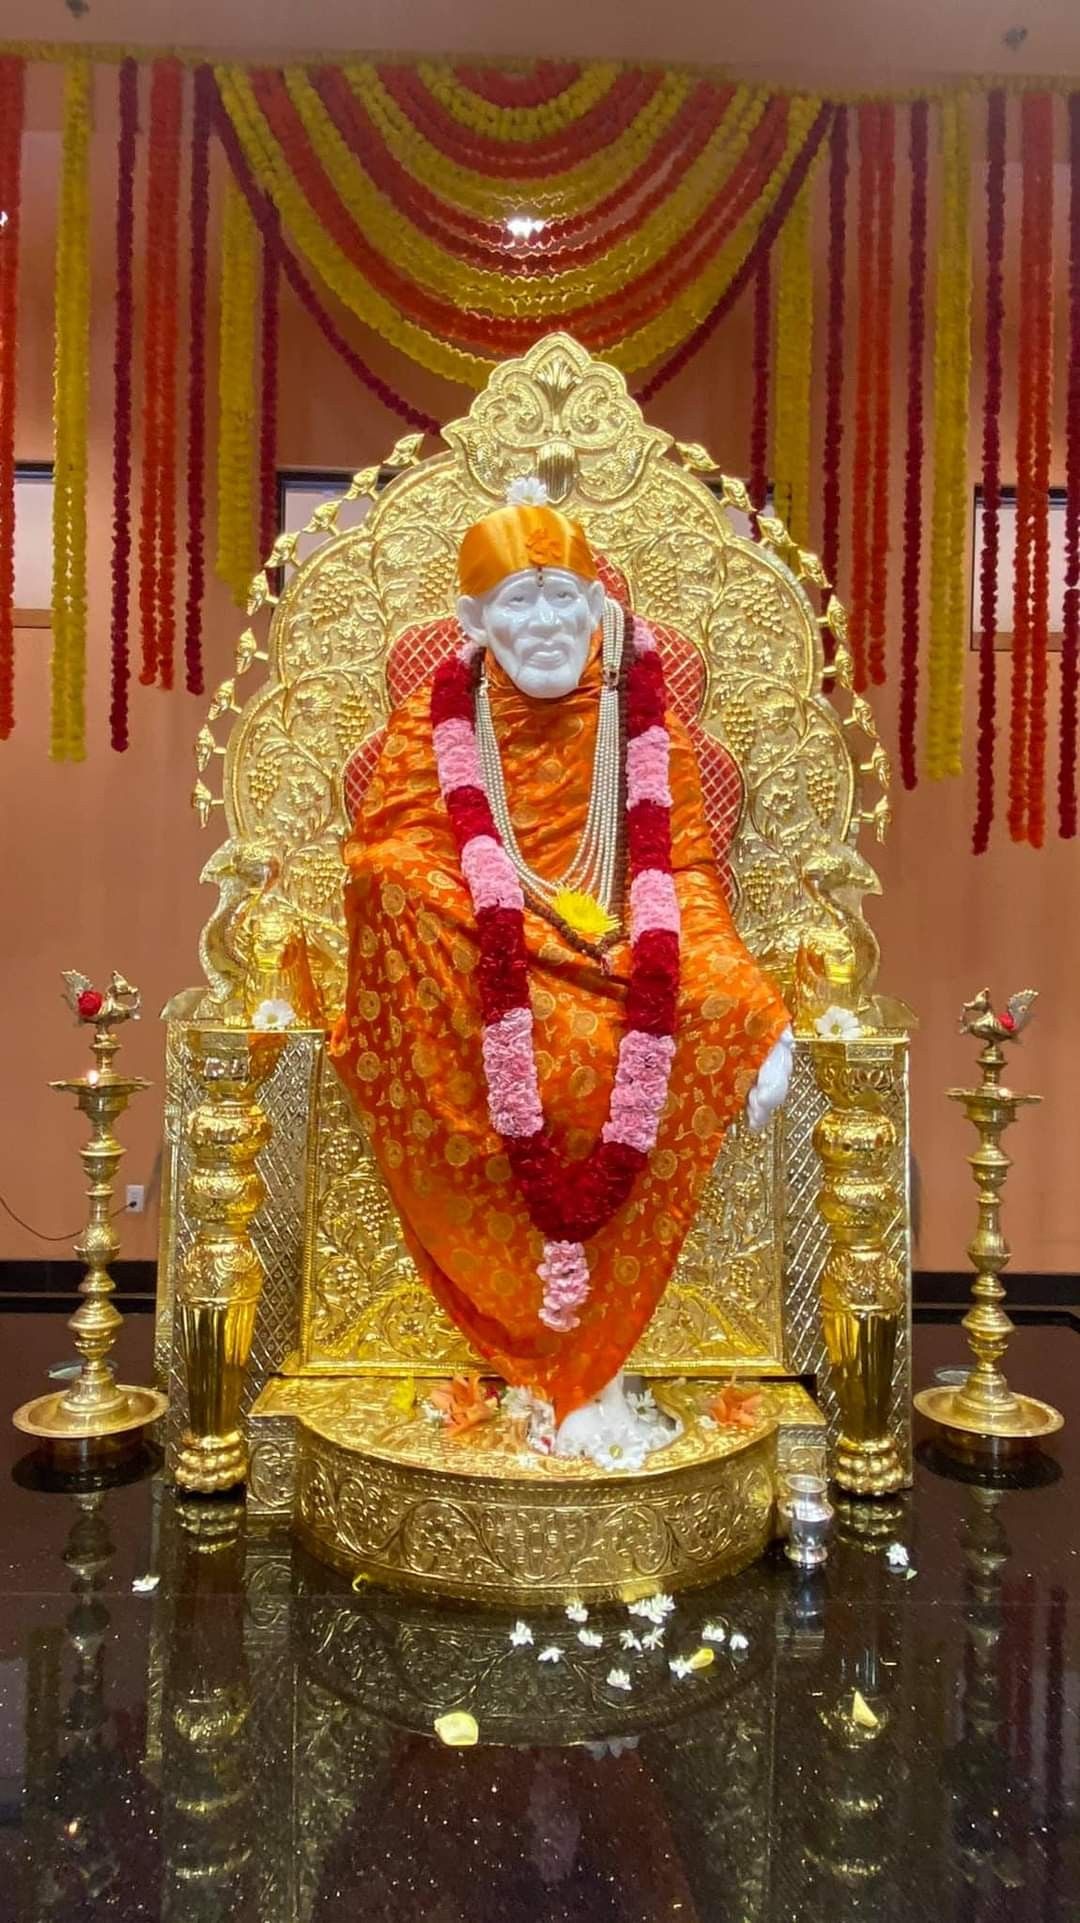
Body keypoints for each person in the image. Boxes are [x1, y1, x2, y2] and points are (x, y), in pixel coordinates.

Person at [331, 483, 792, 1464]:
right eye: (517, 600)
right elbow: (393, 856)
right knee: (389, 888)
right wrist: (508, 931)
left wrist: (754, 1003)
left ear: (596, 607)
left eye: (560, 598)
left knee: (721, 1011)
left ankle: (595, 1365)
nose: (542, 623)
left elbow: (686, 873)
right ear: (473, 621)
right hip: (483, 967)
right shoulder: (435, 721)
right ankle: (548, 1364)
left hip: (631, 956)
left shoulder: (639, 720)